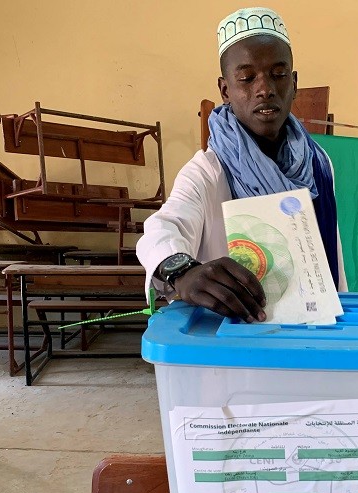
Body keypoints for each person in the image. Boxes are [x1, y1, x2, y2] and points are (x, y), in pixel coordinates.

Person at [137, 7, 346, 322]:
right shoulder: (208, 170)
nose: (265, 89)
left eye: (278, 74)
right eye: (247, 78)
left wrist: (338, 313)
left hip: (314, 328)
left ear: (294, 82)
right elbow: (162, 227)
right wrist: (183, 271)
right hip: (236, 339)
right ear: (225, 90)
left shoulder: (318, 162)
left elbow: (330, 258)